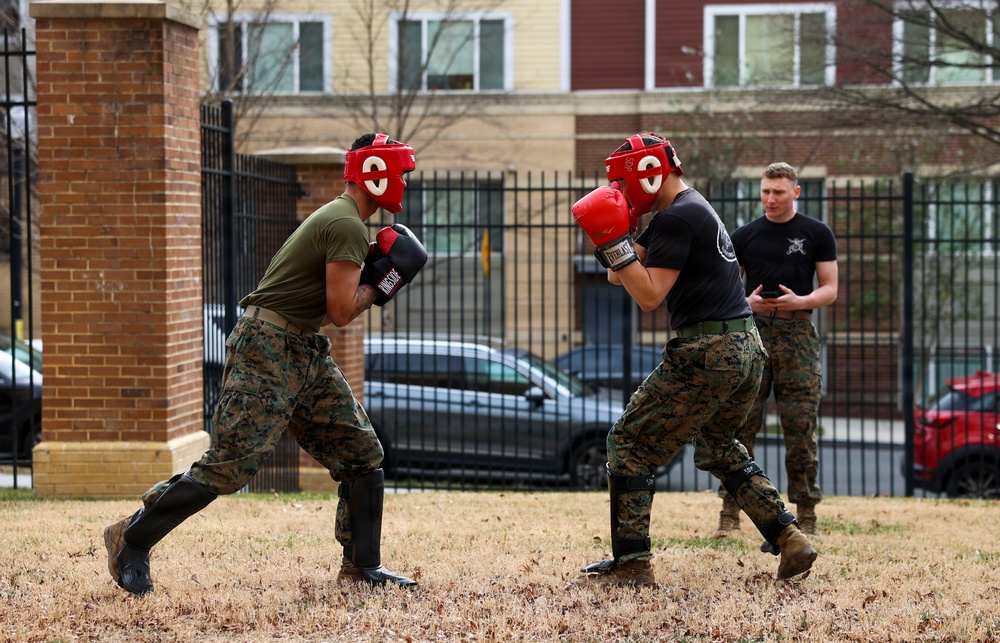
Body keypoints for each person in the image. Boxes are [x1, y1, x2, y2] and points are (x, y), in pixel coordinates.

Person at [104, 133, 426, 595]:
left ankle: (362, 569)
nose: (404, 183)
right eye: (402, 174)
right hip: (267, 346)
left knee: (362, 455)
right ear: (377, 173)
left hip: (302, 349)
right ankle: (130, 540)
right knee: (230, 466)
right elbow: (341, 311)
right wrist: (384, 282)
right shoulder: (347, 224)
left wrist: (376, 275)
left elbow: (330, 306)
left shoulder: (346, 223)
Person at [569, 134, 817, 586]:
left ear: (647, 172)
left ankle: (632, 566)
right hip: (745, 347)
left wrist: (616, 240)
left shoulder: (678, 218)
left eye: (623, 182)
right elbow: (614, 272)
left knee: (627, 444)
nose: (620, 191)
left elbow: (647, 295)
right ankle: (790, 538)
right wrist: (614, 235)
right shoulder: (688, 207)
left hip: (707, 350)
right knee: (719, 447)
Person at [713, 162, 838, 544]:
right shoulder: (744, 235)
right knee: (741, 425)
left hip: (798, 332)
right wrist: (746, 301)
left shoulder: (816, 232)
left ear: (795, 192)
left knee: (800, 427)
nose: (770, 198)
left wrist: (803, 299)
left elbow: (830, 288)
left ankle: (807, 512)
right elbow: (727, 289)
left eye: (778, 192)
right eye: (766, 191)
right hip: (754, 335)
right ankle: (730, 513)